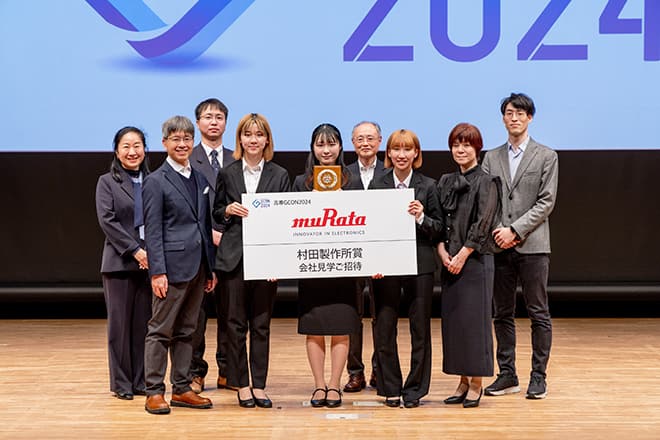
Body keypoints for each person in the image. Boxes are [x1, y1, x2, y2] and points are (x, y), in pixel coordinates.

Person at [482, 93, 559, 400]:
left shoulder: (546, 156)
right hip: (499, 244)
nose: (514, 118)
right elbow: (486, 200)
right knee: (501, 313)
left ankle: (538, 377)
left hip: (533, 245)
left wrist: (514, 230)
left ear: (530, 118)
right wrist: (500, 231)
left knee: (538, 312)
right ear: (503, 118)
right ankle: (507, 374)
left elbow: (546, 202)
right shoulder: (491, 157)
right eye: (509, 113)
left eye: (520, 113)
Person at [213, 113, 291, 408]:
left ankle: (259, 385)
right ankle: (241, 384)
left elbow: (286, 221)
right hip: (234, 258)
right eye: (248, 134)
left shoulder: (279, 174)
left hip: (266, 260)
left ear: (267, 140)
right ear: (240, 139)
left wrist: (277, 262)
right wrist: (228, 210)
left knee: (261, 325)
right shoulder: (228, 173)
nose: (253, 140)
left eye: (259, 134)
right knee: (234, 324)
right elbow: (216, 211)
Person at [142, 116, 217, 415]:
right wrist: (157, 271)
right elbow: (153, 230)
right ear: (165, 143)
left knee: (188, 330)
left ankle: (182, 388)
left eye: (187, 139)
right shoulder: (155, 180)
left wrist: (210, 268)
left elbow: (204, 225)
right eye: (176, 139)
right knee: (160, 330)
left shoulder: (199, 178)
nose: (182, 144)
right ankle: (154, 391)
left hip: (198, 267)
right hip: (170, 269)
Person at [368, 129, 442, 409]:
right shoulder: (377, 184)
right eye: (396, 149)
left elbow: (439, 229)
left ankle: (415, 390)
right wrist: (373, 262)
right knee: (384, 328)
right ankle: (390, 387)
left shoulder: (429, 186)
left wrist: (421, 216)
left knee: (420, 330)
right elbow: (369, 228)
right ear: (388, 153)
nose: (401, 155)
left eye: (407, 149)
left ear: (416, 153)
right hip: (385, 267)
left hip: (419, 265)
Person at [292, 123, 362, 408]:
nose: (326, 150)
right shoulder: (301, 182)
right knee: (315, 326)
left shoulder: (352, 180)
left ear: (340, 147)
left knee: (341, 326)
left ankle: (335, 384)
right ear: (312, 148)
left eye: (331, 144)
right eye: (320, 144)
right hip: (313, 265)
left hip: (344, 265)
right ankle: (319, 384)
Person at [437, 123, 502, 408]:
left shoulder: (488, 181)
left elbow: (483, 224)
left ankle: (476, 383)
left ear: (477, 148)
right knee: (456, 324)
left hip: (475, 262)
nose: (460, 150)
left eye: (466, 144)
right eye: (456, 145)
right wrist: (442, 251)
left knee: (475, 323)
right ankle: (462, 380)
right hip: (449, 261)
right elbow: (439, 220)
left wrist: (462, 255)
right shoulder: (445, 181)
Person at [95, 126, 152, 401]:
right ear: (117, 151)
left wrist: (151, 253)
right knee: (119, 326)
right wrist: (135, 250)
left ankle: (140, 381)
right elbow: (108, 221)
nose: (132, 151)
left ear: (145, 149)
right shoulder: (107, 182)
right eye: (126, 146)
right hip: (120, 263)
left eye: (137, 145)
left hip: (150, 264)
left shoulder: (154, 180)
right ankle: (121, 383)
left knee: (143, 325)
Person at [188, 98, 236, 394]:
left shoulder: (238, 157)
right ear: (198, 123)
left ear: (226, 123)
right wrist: (209, 233)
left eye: (219, 117)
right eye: (208, 117)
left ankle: (228, 370)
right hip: (198, 250)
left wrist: (224, 233)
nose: (214, 121)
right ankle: (195, 372)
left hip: (232, 247)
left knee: (230, 313)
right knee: (197, 315)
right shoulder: (187, 157)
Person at [343, 121, 386, 393]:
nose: (365, 143)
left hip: (382, 253)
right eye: (360, 139)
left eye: (370, 138)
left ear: (380, 141)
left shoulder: (391, 172)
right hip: (351, 253)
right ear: (352, 142)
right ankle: (355, 372)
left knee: (382, 315)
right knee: (352, 316)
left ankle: (380, 369)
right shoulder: (342, 175)